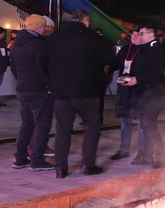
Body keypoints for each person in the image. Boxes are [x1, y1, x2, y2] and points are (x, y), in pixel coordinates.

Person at [48, 10, 114, 178]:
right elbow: (108, 59)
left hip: (61, 92)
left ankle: (60, 168)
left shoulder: (56, 37)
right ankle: (88, 165)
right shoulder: (93, 38)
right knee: (92, 127)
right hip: (87, 91)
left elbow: (45, 61)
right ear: (85, 21)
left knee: (62, 130)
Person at [9, 15, 55, 172]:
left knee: (26, 124)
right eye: (44, 26)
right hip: (39, 90)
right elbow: (43, 67)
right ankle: (37, 159)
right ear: (39, 27)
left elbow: (13, 67)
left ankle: (20, 158)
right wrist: (49, 86)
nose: (46, 29)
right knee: (42, 124)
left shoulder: (17, 43)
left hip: (22, 88)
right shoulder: (38, 43)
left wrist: (22, 80)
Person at [127, 25, 165, 166]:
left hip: (153, 96)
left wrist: (137, 79)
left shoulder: (156, 50)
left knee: (150, 127)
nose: (139, 36)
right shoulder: (145, 49)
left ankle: (161, 157)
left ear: (151, 35)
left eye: (142, 33)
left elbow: (156, 71)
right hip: (145, 95)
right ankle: (148, 156)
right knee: (146, 126)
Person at [109, 30, 145, 161]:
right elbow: (114, 64)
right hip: (124, 89)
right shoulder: (125, 50)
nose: (134, 37)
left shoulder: (145, 51)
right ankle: (124, 149)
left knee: (141, 121)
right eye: (133, 35)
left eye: (138, 35)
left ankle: (142, 150)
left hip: (139, 90)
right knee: (125, 120)